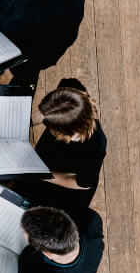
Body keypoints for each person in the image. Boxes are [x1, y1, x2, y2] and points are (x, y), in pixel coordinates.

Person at [20, 78, 107, 220]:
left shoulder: (96, 147)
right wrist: (23, 125)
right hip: (47, 158)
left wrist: (43, 175)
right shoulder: (71, 90)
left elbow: (82, 183)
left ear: (67, 133)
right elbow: (44, 113)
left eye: (51, 128)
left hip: (64, 187)